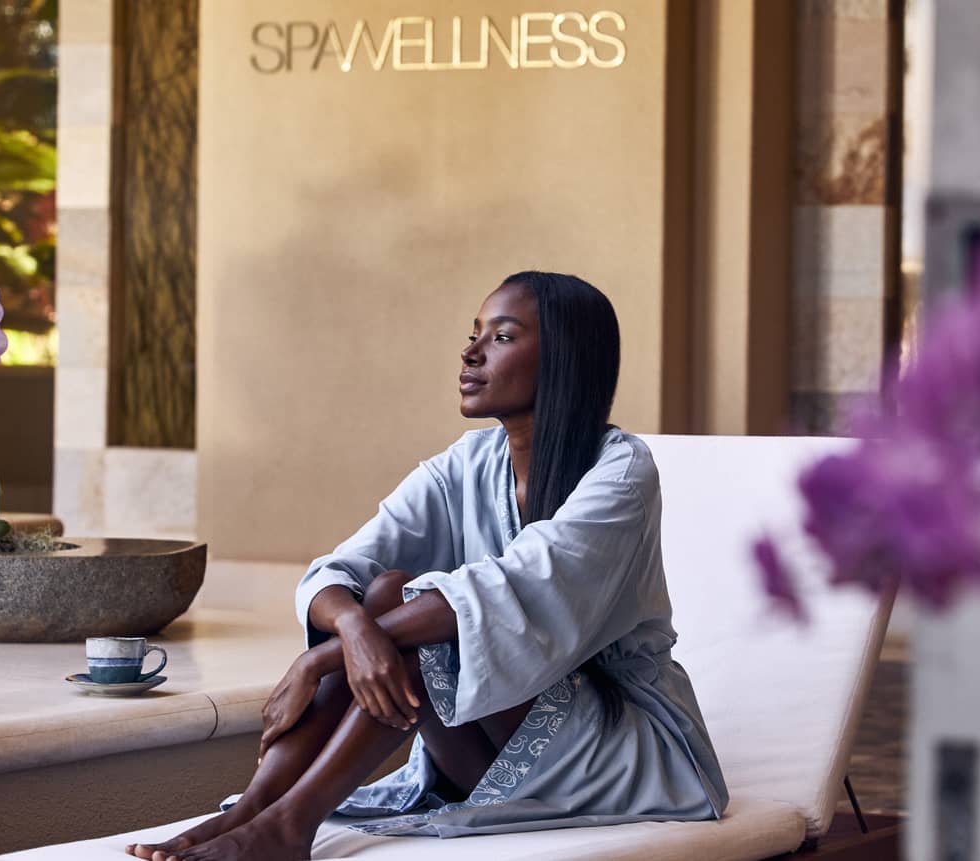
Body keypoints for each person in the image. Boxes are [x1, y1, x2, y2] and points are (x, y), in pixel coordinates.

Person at [128, 271, 728, 861]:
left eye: (501, 337)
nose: (469, 352)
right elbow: (343, 568)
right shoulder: (466, 463)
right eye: (474, 333)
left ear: (565, 358)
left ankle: (288, 826)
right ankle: (251, 811)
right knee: (385, 590)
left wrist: (323, 656)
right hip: (495, 745)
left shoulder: (621, 471)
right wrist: (354, 631)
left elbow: (509, 591)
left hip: (628, 750)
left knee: (445, 627)